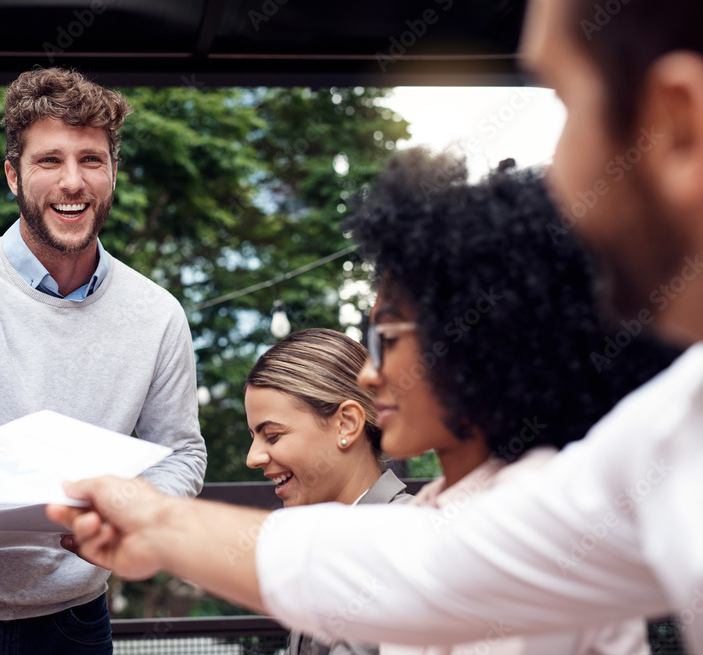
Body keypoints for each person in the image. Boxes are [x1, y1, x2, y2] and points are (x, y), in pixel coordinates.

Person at [48, 0, 703, 649]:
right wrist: (157, 522)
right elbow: (421, 566)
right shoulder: (656, 443)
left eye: (563, 98)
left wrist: (159, 523)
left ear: (678, 121)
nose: (561, 173)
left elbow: (422, 574)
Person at [0, 67, 207, 654]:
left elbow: (181, 450)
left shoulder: (158, 315)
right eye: (49, 160)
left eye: (91, 161)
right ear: (13, 175)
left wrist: (137, 512)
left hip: (73, 620)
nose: (72, 183)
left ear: (113, 172)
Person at [353, 149, 677, 655]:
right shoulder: (437, 502)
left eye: (386, 339)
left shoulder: (536, 507)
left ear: (476, 342)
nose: (368, 374)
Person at [244, 327, 412, 655]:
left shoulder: (403, 538)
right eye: (254, 437)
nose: (253, 458)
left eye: (273, 436)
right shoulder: (323, 537)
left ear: (347, 424)